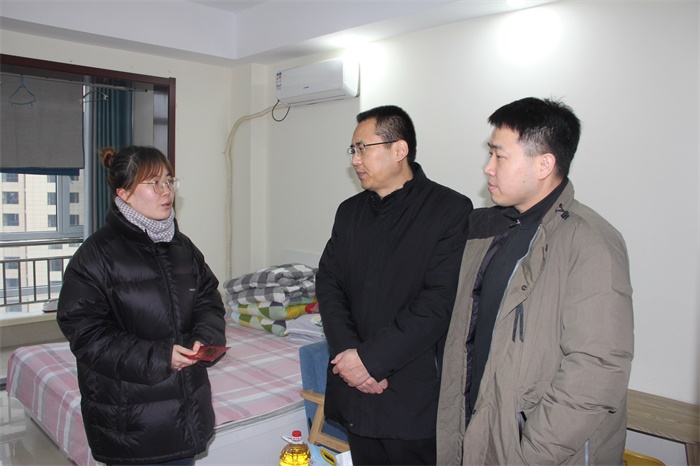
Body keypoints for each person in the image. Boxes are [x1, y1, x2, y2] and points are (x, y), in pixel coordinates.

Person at [436, 97, 634, 465]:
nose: (488, 168)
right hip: (482, 435)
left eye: (499, 156)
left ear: (544, 164)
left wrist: (531, 452)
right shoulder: (490, 231)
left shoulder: (590, 242)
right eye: (490, 154)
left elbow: (597, 368)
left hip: (536, 451)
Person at [316, 105, 473, 465]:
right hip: (354, 387)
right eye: (353, 150)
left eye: (363, 148)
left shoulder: (450, 210)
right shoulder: (350, 212)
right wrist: (350, 356)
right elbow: (329, 283)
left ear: (399, 150)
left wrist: (370, 361)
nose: (355, 160)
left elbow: (439, 302)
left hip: (410, 395)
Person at [57, 146, 227, 466]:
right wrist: (160, 356)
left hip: (187, 413)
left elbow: (208, 300)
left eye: (169, 180)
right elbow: (87, 334)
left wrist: (205, 338)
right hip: (130, 422)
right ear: (124, 193)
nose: (167, 191)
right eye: (154, 183)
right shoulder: (96, 255)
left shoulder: (182, 247)